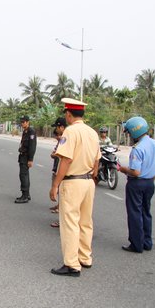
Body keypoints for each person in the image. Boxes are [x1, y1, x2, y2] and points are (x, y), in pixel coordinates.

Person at [49, 98, 101, 277]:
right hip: (88, 182)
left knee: (70, 223)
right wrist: (93, 177)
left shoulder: (70, 132)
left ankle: (71, 264)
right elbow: (97, 161)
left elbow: (66, 159)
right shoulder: (93, 133)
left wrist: (55, 184)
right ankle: (85, 257)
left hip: (73, 182)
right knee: (86, 221)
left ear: (68, 114)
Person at [119, 116, 155, 253]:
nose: (129, 135)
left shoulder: (137, 148)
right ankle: (147, 242)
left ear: (134, 132)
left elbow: (135, 172)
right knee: (146, 212)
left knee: (135, 214)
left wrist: (122, 169)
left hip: (137, 184)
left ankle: (136, 244)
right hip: (150, 182)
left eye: (129, 132)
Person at [49, 117, 67, 227]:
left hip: (68, 175)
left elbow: (66, 159)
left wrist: (55, 184)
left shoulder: (66, 139)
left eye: (57, 127)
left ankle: (63, 221)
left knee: (64, 198)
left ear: (61, 127)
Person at [15, 115, 37, 204]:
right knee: (24, 176)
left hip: (26, 157)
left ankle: (25, 196)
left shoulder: (31, 132)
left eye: (24, 122)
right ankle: (26, 194)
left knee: (23, 176)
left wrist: (30, 159)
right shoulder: (25, 131)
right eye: (21, 122)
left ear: (28, 122)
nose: (22, 123)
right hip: (22, 156)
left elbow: (32, 146)